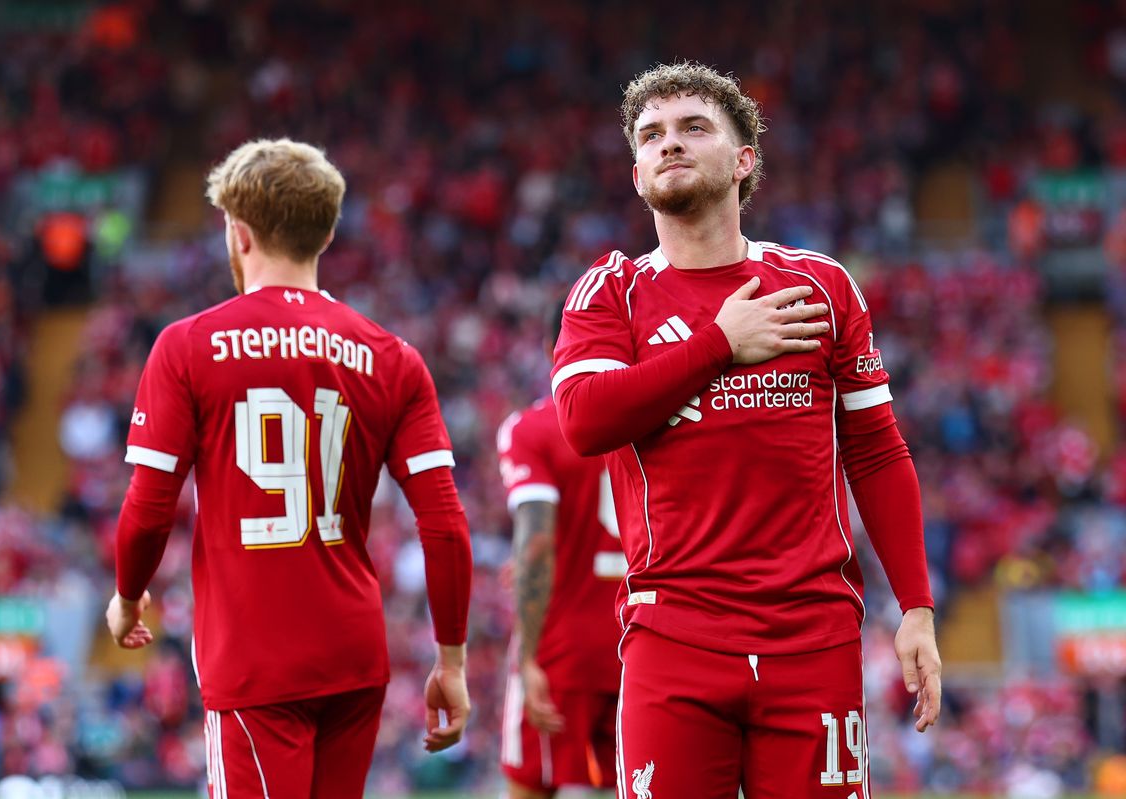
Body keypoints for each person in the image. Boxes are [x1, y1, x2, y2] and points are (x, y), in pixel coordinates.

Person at [550, 62, 942, 798]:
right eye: (651, 135)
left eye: (694, 127)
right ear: (636, 173)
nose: (670, 144)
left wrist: (916, 607)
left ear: (744, 160)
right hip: (673, 635)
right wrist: (719, 344)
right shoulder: (610, 290)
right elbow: (585, 420)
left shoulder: (820, 285)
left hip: (813, 636)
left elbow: (878, 450)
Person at [104, 138, 473, 799]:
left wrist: (128, 595)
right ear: (326, 232)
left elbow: (149, 507)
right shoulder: (394, 357)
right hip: (356, 658)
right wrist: (452, 659)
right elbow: (445, 523)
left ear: (238, 233)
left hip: (256, 662)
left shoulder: (187, 345)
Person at [497, 305, 623, 798]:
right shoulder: (650, 418)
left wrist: (527, 659)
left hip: (563, 647)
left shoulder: (533, 428)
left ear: (556, 351)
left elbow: (537, 541)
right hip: (641, 640)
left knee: (533, 785)